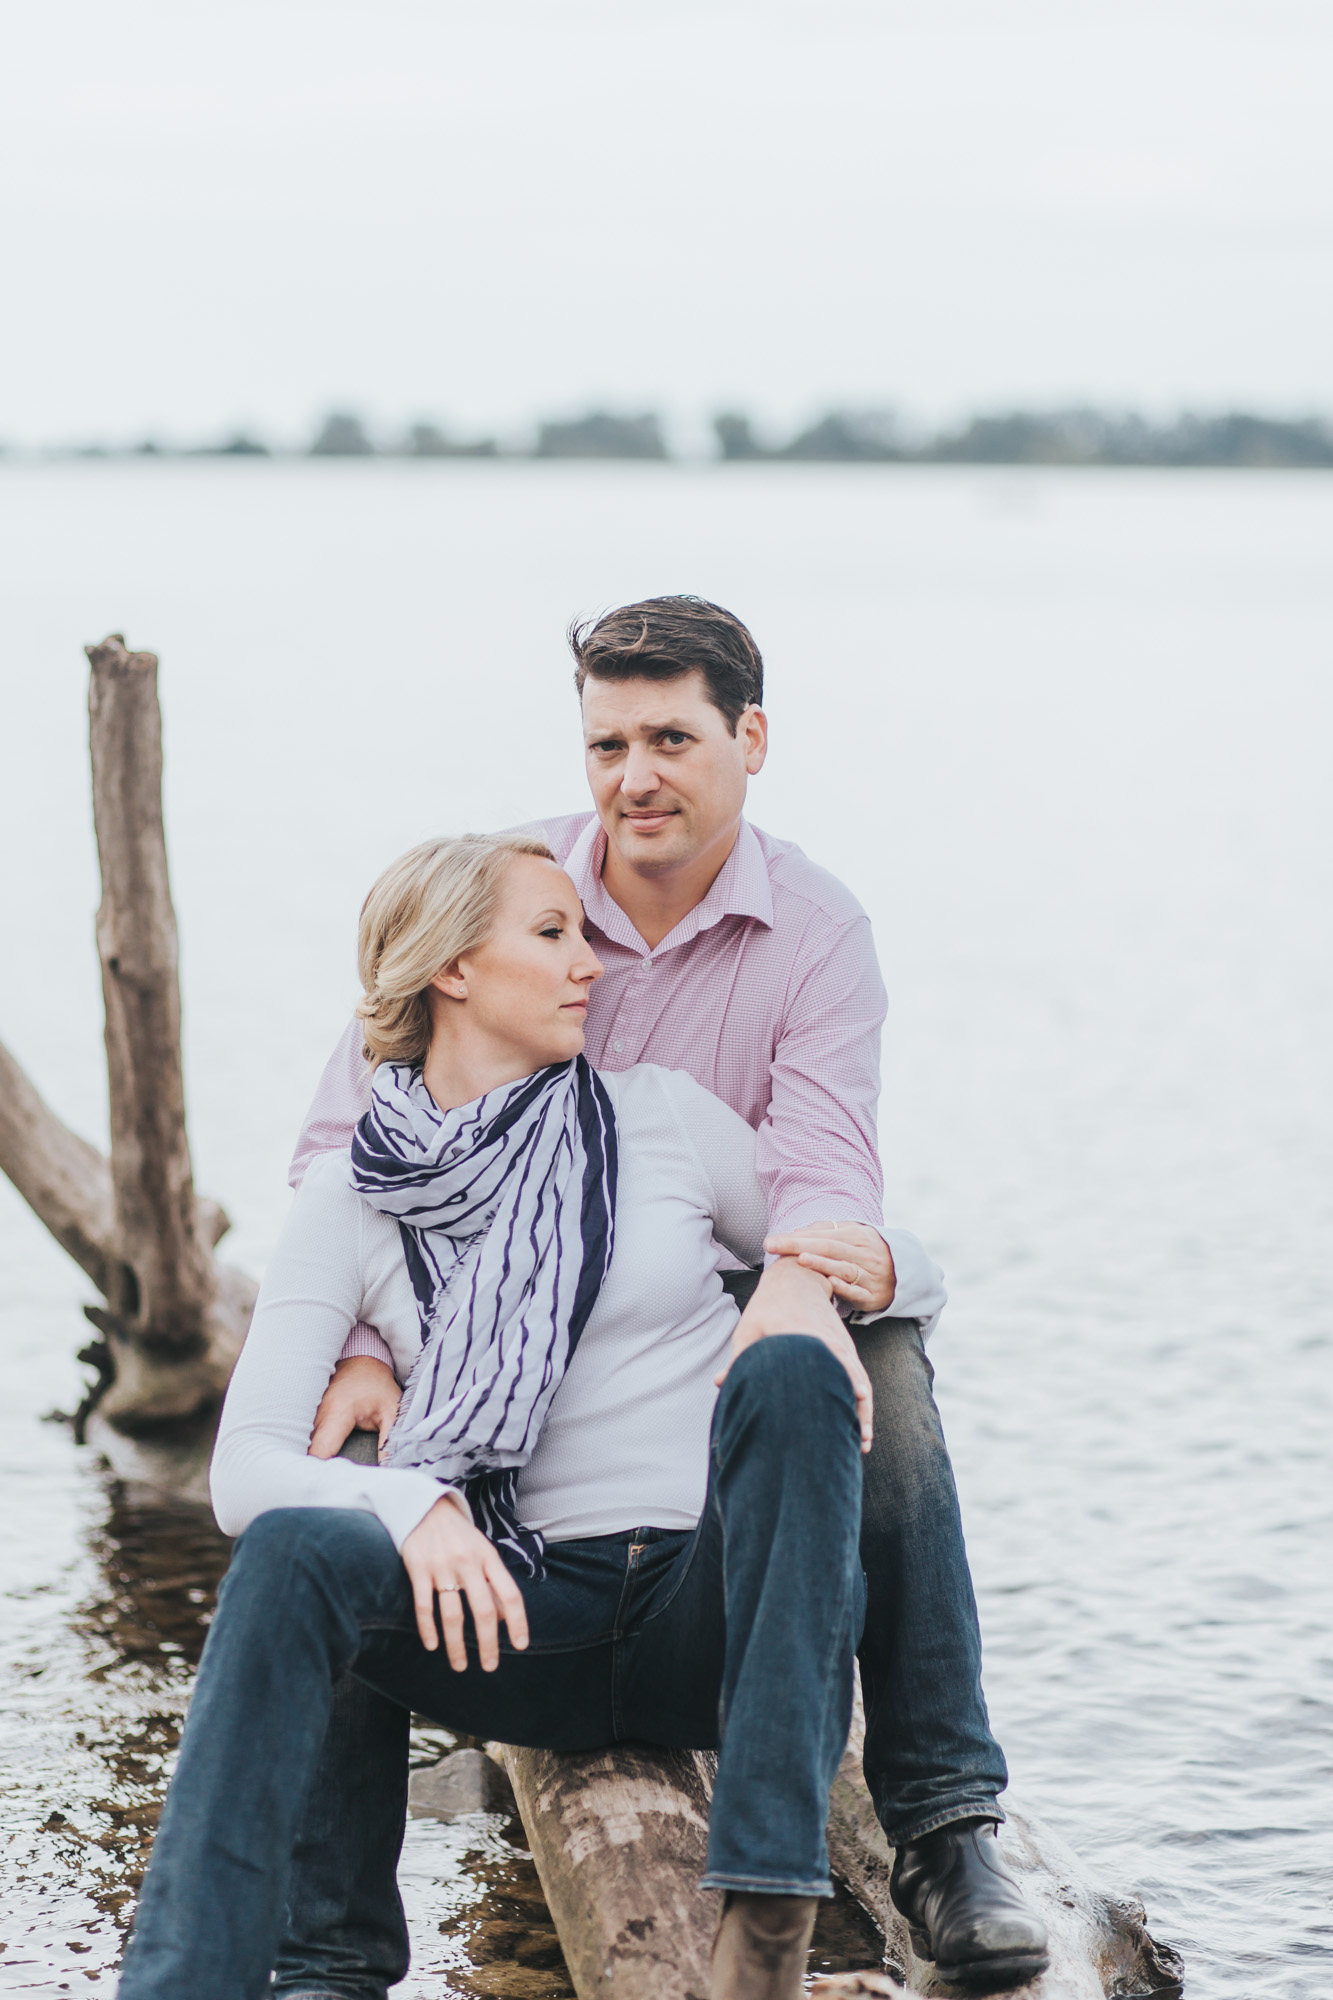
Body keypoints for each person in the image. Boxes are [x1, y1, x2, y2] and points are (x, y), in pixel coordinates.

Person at [286, 597, 1048, 1991]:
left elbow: (824, 1172)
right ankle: (325, 1953)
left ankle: (943, 1826)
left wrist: (813, 1285)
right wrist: (354, 1341)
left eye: (671, 738)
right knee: (336, 1464)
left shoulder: (814, 931)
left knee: (876, 1374)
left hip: (742, 1293)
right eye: (606, 742)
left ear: (750, 739)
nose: (633, 776)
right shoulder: (508, 896)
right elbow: (346, 1147)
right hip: (522, 1325)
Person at [121, 832, 936, 2000]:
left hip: (708, 1618)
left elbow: (863, 1251)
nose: (590, 963)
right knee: (299, 1544)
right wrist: (416, 1507)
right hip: (513, 1611)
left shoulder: (659, 1116)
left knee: (796, 1368)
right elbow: (242, 1471)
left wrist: (871, 1271)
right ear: (452, 966)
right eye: (551, 933)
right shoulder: (349, 1191)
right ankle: (253, 1976)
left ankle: (764, 1923)